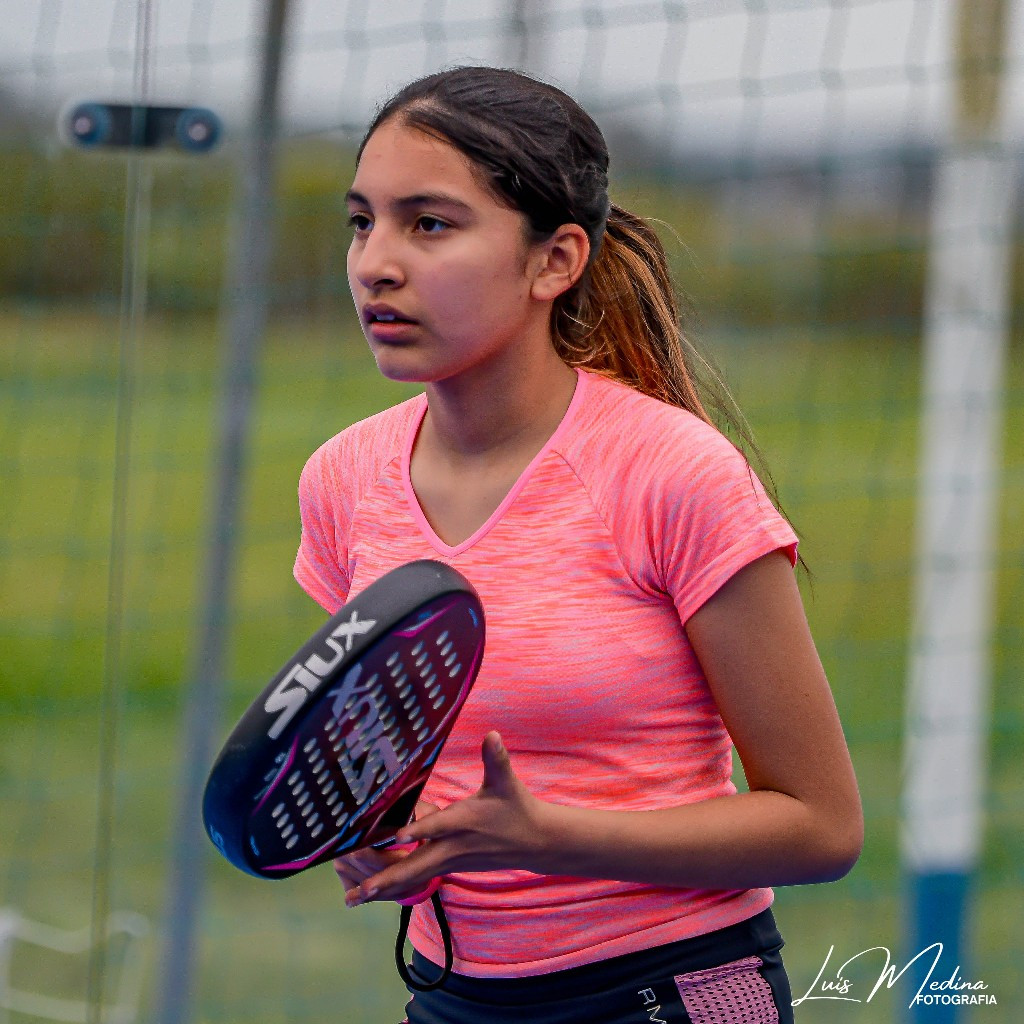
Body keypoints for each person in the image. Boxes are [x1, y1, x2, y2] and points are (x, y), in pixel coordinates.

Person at [293, 65, 862, 1024]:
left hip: (672, 989)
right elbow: (374, 753)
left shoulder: (675, 474)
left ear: (554, 261)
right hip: (450, 995)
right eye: (362, 221)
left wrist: (543, 837)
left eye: (428, 224)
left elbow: (823, 828)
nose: (375, 264)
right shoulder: (342, 481)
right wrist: (369, 830)